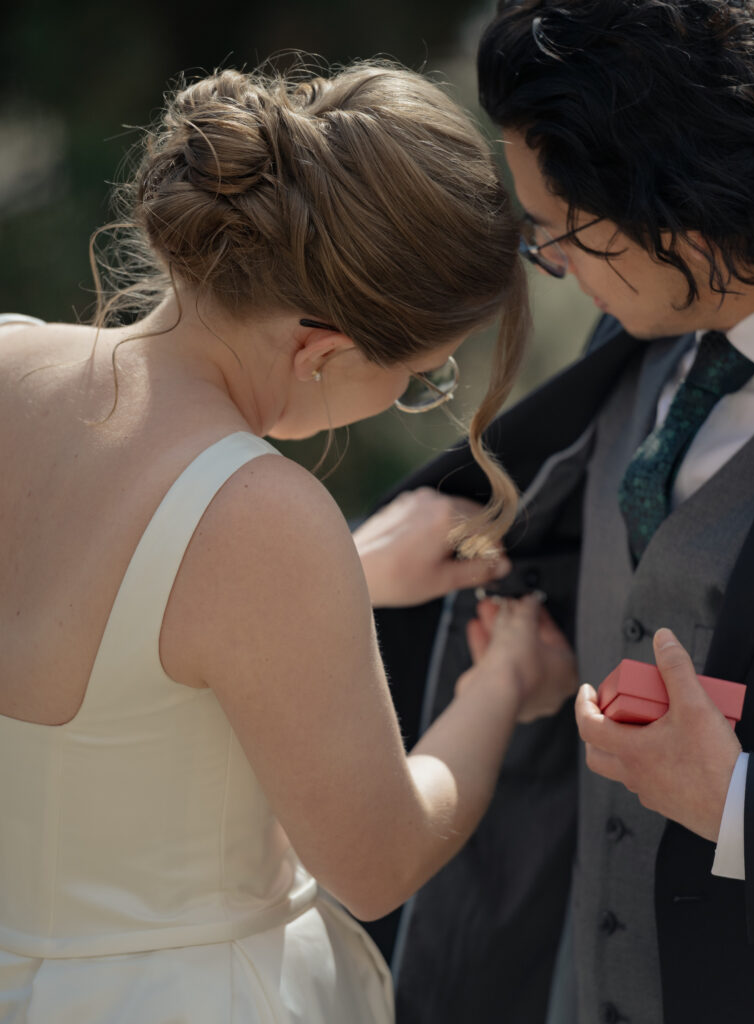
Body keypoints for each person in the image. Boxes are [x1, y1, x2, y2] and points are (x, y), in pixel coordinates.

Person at [0, 61, 580, 1024]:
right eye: (421, 377)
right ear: (322, 348)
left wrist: (345, 579)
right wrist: (501, 685)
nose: (410, 399)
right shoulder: (259, 513)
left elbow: (86, 645)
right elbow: (378, 860)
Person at [360, 2, 754, 1021]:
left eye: (555, 231)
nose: (551, 262)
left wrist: (741, 806)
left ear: (675, 207)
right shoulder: (647, 331)